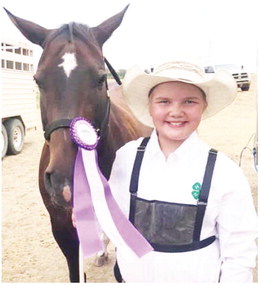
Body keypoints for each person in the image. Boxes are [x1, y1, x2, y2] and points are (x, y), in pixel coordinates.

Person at [108, 61, 258, 283]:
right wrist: (88, 217)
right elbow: (112, 216)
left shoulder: (224, 172)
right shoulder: (126, 158)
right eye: (164, 101)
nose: (176, 111)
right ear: (150, 107)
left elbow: (239, 251)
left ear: (203, 106)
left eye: (189, 101)